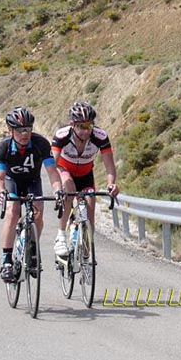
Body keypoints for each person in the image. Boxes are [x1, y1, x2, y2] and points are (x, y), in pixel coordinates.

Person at [0, 106, 63, 282]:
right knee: (13, 212)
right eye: (19, 130)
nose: (24, 134)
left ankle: (32, 249)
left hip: (32, 182)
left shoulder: (41, 144)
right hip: (12, 182)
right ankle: (7, 260)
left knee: (38, 212)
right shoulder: (3, 148)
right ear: (11, 131)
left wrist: (58, 191)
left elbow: (52, 172)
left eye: (28, 129)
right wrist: (2, 192)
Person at [50, 101, 118, 257]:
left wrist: (111, 184)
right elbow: (52, 165)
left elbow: (109, 166)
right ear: (72, 124)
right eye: (81, 126)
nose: (85, 131)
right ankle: (60, 236)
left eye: (88, 126)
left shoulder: (100, 137)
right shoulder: (62, 135)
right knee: (69, 190)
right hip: (64, 169)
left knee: (89, 212)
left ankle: (85, 252)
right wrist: (57, 188)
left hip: (86, 174)